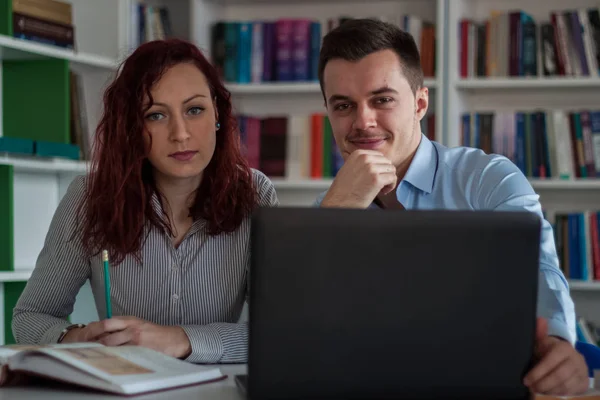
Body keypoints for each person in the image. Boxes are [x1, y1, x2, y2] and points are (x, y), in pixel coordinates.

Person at [315, 18, 588, 396]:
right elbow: (304, 322)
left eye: (382, 99)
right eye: (343, 105)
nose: (363, 121)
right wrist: (340, 210)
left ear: (420, 103)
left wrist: (555, 340)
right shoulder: (325, 209)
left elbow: (536, 268)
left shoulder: (487, 179)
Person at [12, 38, 278, 364]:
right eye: (155, 115)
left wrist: (181, 340)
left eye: (194, 110)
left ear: (218, 115)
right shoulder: (90, 196)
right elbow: (30, 316)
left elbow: (278, 330)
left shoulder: (255, 194)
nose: (180, 133)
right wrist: (75, 337)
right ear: (132, 128)